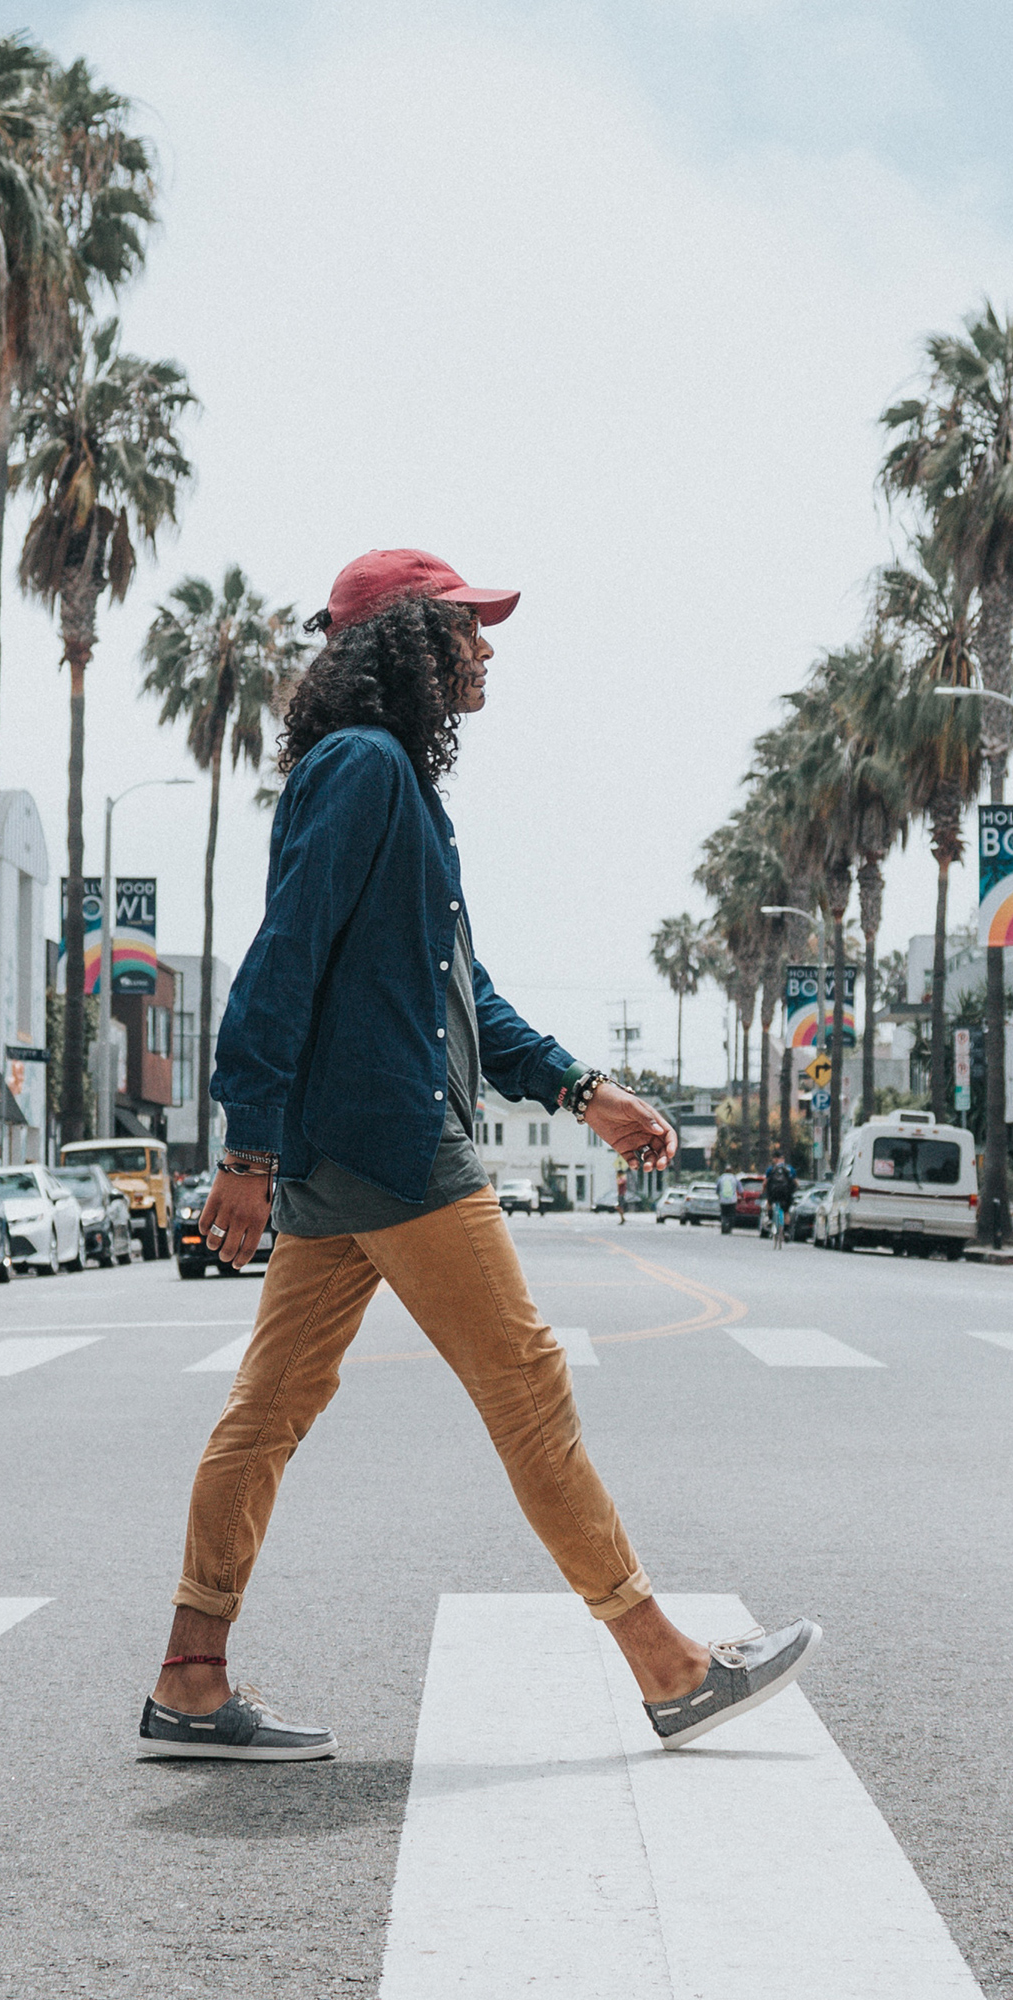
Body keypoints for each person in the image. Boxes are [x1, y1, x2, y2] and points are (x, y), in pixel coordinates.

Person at [138, 547, 819, 1762]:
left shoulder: (393, 787)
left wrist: (584, 1088)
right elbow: (279, 955)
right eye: (465, 627)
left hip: (348, 1148)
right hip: (396, 1143)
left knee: (270, 1410)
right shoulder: (365, 768)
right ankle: (666, 1665)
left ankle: (190, 1677)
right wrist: (243, 1143)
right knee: (526, 1386)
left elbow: (466, 1000)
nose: (485, 647)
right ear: (403, 641)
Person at [765, 1147, 796, 1248]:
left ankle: (770, 1219)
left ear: (776, 1159)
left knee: (769, 1203)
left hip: (774, 1194)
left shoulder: (771, 1169)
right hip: (786, 1194)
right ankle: (786, 1231)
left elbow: (765, 1183)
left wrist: (764, 1192)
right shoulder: (790, 1169)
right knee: (786, 1212)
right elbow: (795, 1182)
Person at [716, 1166, 738, 1234]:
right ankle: (730, 1227)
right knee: (731, 1215)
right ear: (732, 1171)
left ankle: (723, 1225)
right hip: (732, 1201)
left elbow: (717, 1189)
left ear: (725, 1171)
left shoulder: (721, 1178)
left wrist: (718, 1195)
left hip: (723, 1200)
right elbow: (740, 1189)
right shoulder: (734, 1178)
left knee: (723, 1214)